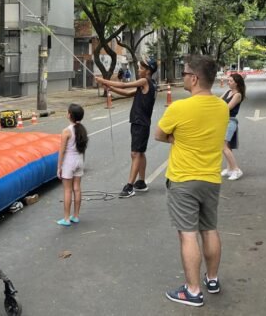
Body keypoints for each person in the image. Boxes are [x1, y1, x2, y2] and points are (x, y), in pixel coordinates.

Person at [155, 54, 229, 307]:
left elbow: (160, 135)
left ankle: (193, 290)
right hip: (211, 178)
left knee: (188, 235)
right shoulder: (222, 107)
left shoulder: (179, 107)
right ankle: (212, 278)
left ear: (195, 78)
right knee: (209, 229)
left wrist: (177, 139)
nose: (183, 77)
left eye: (185, 73)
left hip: (183, 179)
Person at [95, 58, 158, 198]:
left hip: (140, 122)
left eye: (141, 68)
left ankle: (130, 186)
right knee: (140, 153)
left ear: (148, 71)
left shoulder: (145, 81)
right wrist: (111, 88)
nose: (139, 70)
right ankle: (141, 182)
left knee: (135, 154)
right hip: (140, 122)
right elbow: (128, 93)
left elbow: (124, 86)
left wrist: (104, 81)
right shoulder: (148, 84)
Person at [56, 103, 88, 226]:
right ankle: (75, 216)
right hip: (80, 160)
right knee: (77, 189)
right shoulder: (82, 130)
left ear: (69, 115)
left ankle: (66, 218)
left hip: (69, 162)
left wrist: (59, 167)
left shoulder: (66, 131)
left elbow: (62, 151)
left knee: (67, 190)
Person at [220, 73, 245, 180]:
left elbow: (227, 108)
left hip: (230, 122)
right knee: (228, 146)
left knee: (223, 146)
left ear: (237, 83)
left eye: (230, 81)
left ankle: (236, 169)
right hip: (222, 121)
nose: (228, 82)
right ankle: (229, 168)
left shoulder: (238, 95)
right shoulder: (228, 91)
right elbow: (218, 101)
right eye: (228, 80)